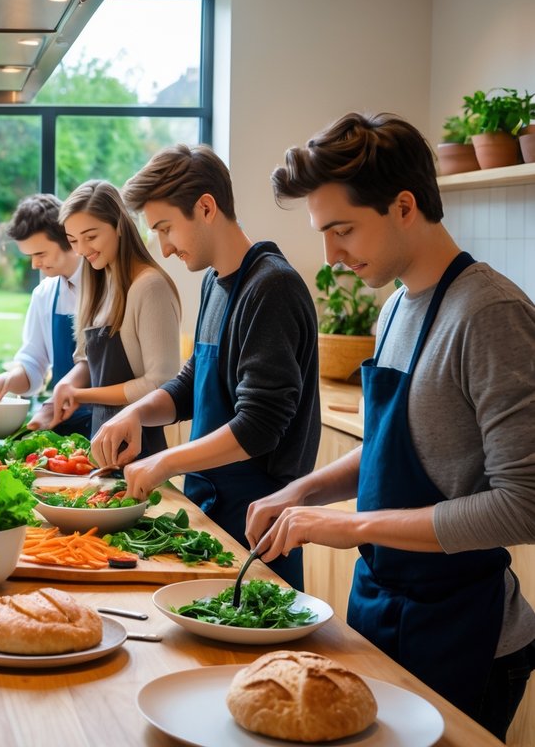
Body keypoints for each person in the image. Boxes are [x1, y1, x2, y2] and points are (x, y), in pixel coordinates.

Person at [247, 112, 535, 739]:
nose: (330, 254)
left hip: (467, 633)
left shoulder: (490, 315)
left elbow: (524, 507)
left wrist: (350, 526)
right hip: (380, 608)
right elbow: (387, 450)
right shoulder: (397, 305)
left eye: (343, 229)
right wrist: (301, 492)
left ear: (405, 206)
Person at [91, 145, 319, 587]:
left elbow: (259, 426)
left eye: (166, 228)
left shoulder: (272, 288)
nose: (164, 246)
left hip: (257, 524)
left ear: (206, 207)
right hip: (209, 513)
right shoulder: (216, 282)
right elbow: (193, 381)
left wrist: (164, 462)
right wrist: (135, 413)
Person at [48, 180, 181, 449]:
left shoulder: (150, 286)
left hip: (141, 446)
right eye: (73, 241)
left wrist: (82, 395)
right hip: (102, 441)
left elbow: (160, 384)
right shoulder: (100, 279)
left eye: (91, 236)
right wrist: (67, 384)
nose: (82, 250)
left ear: (119, 225)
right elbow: (88, 358)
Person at [0, 194, 91, 435]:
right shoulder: (45, 294)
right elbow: (34, 364)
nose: (35, 265)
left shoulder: (106, 285)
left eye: (40, 254)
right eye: (30, 257)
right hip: (62, 428)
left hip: (110, 424)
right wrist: (9, 379)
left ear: (68, 239)